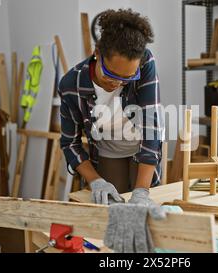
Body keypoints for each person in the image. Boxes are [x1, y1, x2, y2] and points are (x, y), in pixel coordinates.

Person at [59, 9, 164, 207]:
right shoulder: (70, 85)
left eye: (127, 78)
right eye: (111, 74)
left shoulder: (145, 62)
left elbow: (152, 127)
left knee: (144, 214)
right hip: (107, 151)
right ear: (97, 53)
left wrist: (142, 191)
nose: (117, 83)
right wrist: (96, 181)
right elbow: (70, 144)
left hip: (142, 149)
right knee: (112, 214)